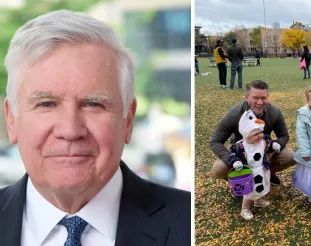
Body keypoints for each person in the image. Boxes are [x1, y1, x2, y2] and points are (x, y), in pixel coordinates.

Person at [0, 10, 190, 246]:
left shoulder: (189, 224)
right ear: (11, 119)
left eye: (93, 104)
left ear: (127, 119)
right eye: (46, 104)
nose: (70, 130)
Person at [210, 80, 295, 186]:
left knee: (290, 156)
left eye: (263, 98)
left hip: (264, 148)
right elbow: (215, 141)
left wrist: (272, 149)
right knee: (219, 168)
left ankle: (268, 174)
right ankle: (241, 181)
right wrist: (233, 159)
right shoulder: (235, 113)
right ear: (246, 97)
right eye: (255, 98)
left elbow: (283, 136)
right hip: (241, 151)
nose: (260, 102)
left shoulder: (274, 112)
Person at [228, 110, 281, 220]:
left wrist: (274, 145)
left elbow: (270, 145)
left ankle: (258, 200)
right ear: (247, 135)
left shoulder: (264, 141)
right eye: (255, 134)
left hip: (262, 169)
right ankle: (245, 208)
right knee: (249, 192)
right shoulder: (240, 146)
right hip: (248, 172)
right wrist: (236, 162)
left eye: (260, 132)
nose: (260, 136)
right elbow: (232, 154)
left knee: (262, 186)